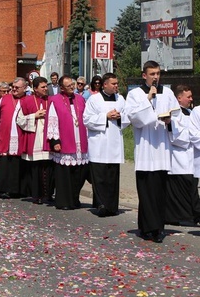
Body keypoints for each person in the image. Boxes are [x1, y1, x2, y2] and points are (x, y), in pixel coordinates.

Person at [123, 60, 180, 243]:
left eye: (158, 73)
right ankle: (147, 227)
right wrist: (148, 99)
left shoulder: (168, 93)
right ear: (144, 75)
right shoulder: (135, 94)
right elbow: (133, 118)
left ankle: (158, 228)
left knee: (160, 191)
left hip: (162, 148)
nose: (156, 77)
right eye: (152, 74)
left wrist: (170, 121)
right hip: (146, 148)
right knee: (146, 190)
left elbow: (177, 116)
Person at [83, 73, 129, 217]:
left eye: (116, 83)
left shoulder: (120, 99)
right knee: (100, 177)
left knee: (112, 177)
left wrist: (121, 117)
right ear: (105, 85)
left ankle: (112, 206)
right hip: (99, 143)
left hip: (115, 143)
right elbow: (87, 119)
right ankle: (101, 204)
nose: (116, 86)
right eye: (113, 83)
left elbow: (128, 116)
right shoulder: (94, 99)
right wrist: (105, 117)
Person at [45, 75, 89, 210]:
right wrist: (55, 141)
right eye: (68, 85)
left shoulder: (80, 99)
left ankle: (75, 198)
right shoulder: (55, 100)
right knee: (65, 174)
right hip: (64, 140)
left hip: (80, 140)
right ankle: (64, 201)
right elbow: (52, 121)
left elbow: (86, 118)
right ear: (62, 88)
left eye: (72, 84)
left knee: (79, 173)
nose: (72, 86)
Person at [0, 78, 27, 197]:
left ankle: (19, 189)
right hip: (5, 136)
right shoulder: (5, 99)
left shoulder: (28, 100)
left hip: (21, 136)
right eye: (12, 87)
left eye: (17, 87)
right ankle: (3, 188)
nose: (13, 89)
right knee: (5, 163)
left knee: (18, 164)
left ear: (24, 88)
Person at [165, 85, 200, 226]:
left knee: (192, 187)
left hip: (192, 156)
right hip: (179, 156)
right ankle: (181, 217)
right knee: (181, 189)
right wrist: (191, 137)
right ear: (179, 98)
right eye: (188, 97)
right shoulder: (175, 114)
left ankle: (192, 215)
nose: (191, 99)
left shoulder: (192, 112)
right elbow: (174, 135)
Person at [16, 77, 53, 204]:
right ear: (35, 89)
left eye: (46, 86)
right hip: (35, 138)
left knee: (47, 168)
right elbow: (19, 120)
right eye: (42, 87)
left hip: (48, 138)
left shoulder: (51, 100)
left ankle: (48, 195)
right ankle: (36, 195)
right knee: (36, 168)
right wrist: (34, 116)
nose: (45, 89)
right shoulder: (27, 101)